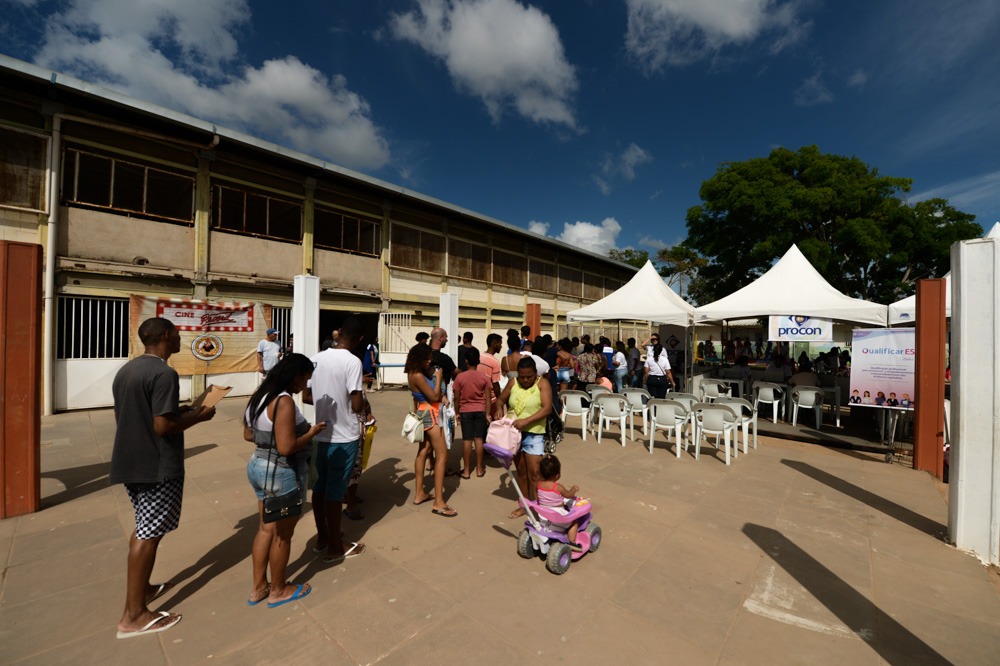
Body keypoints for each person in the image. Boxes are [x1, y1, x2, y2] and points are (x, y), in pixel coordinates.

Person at [110, 317, 216, 638]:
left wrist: (180, 411)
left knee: (144, 526)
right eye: (179, 334)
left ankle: (141, 589)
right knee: (150, 533)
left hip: (131, 461)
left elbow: (145, 414)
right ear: (167, 335)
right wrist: (199, 417)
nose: (182, 339)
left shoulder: (128, 370)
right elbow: (162, 426)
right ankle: (134, 615)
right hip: (156, 466)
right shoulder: (163, 373)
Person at [243, 354, 327, 608]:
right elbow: (287, 447)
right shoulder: (284, 401)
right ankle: (279, 589)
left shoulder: (259, 397)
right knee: (283, 533)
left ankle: (259, 587)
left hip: (258, 465)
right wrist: (311, 432)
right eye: (305, 379)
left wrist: (272, 437)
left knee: (265, 528)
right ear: (295, 376)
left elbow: (248, 434)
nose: (304, 385)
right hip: (281, 472)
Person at [304, 317, 369, 563]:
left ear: (339, 332)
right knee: (335, 492)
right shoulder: (352, 362)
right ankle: (334, 546)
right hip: (344, 436)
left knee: (319, 488)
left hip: (320, 433)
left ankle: (323, 537)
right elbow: (356, 404)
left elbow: (306, 396)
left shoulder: (316, 358)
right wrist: (360, 398)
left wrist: (328, 400)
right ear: (359, 339)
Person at [406, 343, 457, 516]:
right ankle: (439, 502)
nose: (429, 361)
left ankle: (420, 493)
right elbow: (434, 396)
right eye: (427, 358)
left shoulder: (413, 372)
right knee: (442, 455)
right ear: (419, 358)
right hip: (431, 415)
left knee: (423, 451)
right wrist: (439, 377)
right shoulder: (418, 375)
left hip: (424, 412)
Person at [500, 357, 552, 519]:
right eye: (522, 376)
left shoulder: (542, 384)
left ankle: (540, 509)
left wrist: (526, 421)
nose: (525, 380)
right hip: (514, 434)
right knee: (521, 472)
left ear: (535, 373)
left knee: (535, 473)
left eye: (529, 376)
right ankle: (525, 505)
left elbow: (547, 408)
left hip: (534, 434)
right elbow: (501, 399)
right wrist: (498, 408)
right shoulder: (513, 382)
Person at [452, 348, 492, 478]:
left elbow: (456, 398)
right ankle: (479, 469)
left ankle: (466, 471)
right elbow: (488, 398)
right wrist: (487, 413)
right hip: (480, 410)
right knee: (479, 439)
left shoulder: (460, 377)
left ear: (466, 361)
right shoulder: (484, 377)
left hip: (465, 411)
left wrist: (457, 412)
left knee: (467, 440)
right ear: (478, 361)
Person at [537, 454, 583, 551]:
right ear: (557, 475)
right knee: (574, 521)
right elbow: (568, 495)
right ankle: (572, 542)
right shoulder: (557, 487)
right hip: (557, 518)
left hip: (543, 518)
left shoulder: (539, 485)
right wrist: (574, 489)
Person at [479, 333, 504, 418]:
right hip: (491, 400)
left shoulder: (479, 357)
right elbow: (495, 384)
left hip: (478, 398)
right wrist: (499, 400)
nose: (501, 346)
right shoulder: (495, 362)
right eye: (500, 344)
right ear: (494, 344)